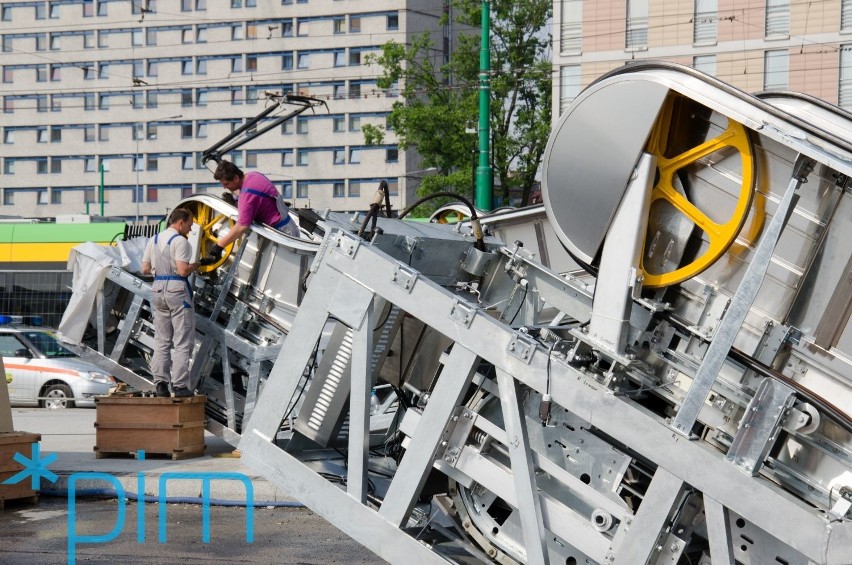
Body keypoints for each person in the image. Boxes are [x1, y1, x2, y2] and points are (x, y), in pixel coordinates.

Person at [141, 208, 202, 398]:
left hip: (158, 288)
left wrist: (159, 273)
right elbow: (183, 271)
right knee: (183, 341)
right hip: (177, 289)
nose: (191, 229)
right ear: (181, 222)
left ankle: (160, 385)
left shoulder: (154, 239)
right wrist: (198, 264)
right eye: (190, 224)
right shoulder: (180, 242)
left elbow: (145, 268)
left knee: (162, 340)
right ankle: (180, 385)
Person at [206, 160, 299, 262]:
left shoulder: (247, 195)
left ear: (236, 177)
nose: (224, 187)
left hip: (282, 235)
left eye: (226, 183)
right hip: (289, 227)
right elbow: (256, 202)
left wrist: (219, 246)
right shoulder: (253, 175)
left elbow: (241, 226)